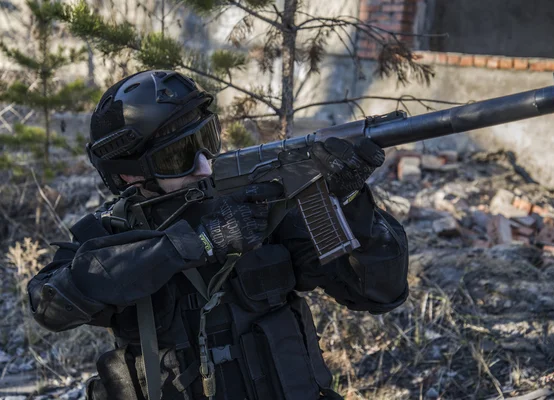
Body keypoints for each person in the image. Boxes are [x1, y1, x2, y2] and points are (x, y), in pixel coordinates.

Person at [27, 70, 409, 400]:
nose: (205, 165)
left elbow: (378, 294)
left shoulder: (259, 210)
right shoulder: (112, 233)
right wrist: (196, 243)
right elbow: (51, 305)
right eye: (180, 155)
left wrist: (351, 200)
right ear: (129, 173)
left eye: (207, 141)